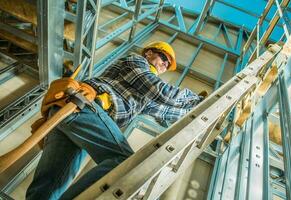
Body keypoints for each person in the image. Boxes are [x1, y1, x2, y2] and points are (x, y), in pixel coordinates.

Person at [26, 41, 204, 199]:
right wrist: (196, 99)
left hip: (76, 117)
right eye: (164, 58)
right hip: (82, 107)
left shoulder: (143, 97)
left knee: (49, 186)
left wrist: (198, 110)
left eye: (167, 64)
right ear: (149, 53)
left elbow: (166, 112)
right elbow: (161, 92)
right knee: (123, 165)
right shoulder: (135, 62)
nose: (165, 65)